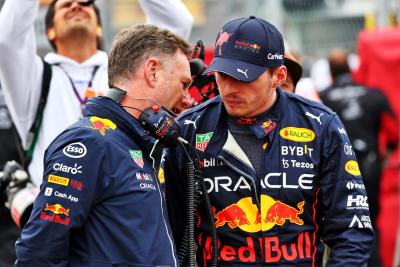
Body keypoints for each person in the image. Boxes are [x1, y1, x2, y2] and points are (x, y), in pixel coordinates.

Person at [163, 16, 374, 266]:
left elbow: (351, 231)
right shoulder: (189, 130)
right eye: (222, 75)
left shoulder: (321, 125)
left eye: (243, 77)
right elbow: (170, 236)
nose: (229, 88)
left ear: (279, 75)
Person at [15, 23, 192, 266]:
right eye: (183, 84)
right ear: (152, 71)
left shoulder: (142, 144)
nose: (187, 99)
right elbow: (38, 253)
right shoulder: (89, 143)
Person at [0, 0, 193, 187]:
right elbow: (7, 38)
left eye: (85, 4)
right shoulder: (34, 76)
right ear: (49, 31)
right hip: (59, 205)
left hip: (125, 202)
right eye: (65, 5)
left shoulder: (126, 72)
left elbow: (177, 22)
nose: (75, 5)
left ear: (99, 27)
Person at [320, 48, 399, 267]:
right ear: (350, 68)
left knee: (342, 224)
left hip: (337, 171)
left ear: (330, 71)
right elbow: (394, 131)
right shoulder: (373, 94)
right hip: (370, 167)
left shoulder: (323, 97)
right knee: (370, 221)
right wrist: (386, 154)